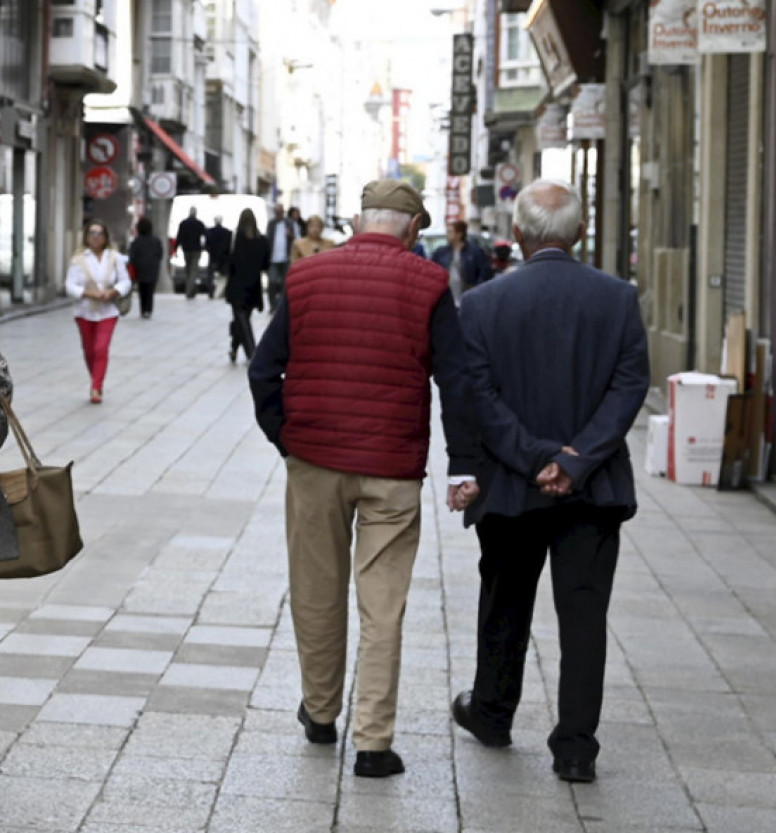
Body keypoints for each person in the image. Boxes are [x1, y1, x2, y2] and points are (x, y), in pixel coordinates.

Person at [248, 179, 479, 779]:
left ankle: (321, 715)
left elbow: (264, 368)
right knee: (383, 606)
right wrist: (462, 463)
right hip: (392, 471)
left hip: (315, 465)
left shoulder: (306, 277)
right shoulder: (430, 284)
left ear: (356, 223)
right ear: (411, 228)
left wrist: (287, 438)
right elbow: (456, 380)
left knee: (316, 592)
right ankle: (374, 744)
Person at [451, 180, 650, 784]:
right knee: (584, 614)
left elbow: (478, 397)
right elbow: (630, 385)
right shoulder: (617, 298)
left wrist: (536, 457)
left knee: (505, 599)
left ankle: (491, 711)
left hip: (512, 486)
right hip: (593, 490)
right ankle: (575, 747)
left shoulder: (483, 304)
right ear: (581, 232)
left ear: (517, 235)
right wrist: (577, 459)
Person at [66, 219, 132, 404]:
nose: (96, 237)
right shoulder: (78, 259)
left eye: (99, 233)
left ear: (105, 237)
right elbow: (70, 285)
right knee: (89, 350)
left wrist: (113, 291)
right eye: (92, 233)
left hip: (108, 311)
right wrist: (87, 293)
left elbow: (126, 281)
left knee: (100, 348)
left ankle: (96, 387)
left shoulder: (115, 257)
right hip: (84, 311)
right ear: (86, 236)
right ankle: (96, 378)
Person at [226, 208, 269, 363]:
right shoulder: (262, 240)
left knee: (241, 319)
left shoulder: (235, 239)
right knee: (243, 319)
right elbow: (265, 264)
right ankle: (234, 348)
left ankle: (252, 352)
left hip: (237, 285)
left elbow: (229, 262)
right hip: (253, 286)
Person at [430, 219, 492, 305]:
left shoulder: (475, 252)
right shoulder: (441, 252)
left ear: (459, 234)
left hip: (467, 299)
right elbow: (432, 271)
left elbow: (485, 273)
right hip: (446, 300)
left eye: (450, 232)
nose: (447, 235)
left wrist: (476, 290)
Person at [127, 216, 164, 319]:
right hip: (152, 268)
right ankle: (149, 309)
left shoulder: (136, 241)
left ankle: (143, 310)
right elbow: (160, 253)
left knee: (142, 290)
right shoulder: (156, 240)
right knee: (150, 290)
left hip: (140, 269)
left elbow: (132, 256)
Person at [265, 203, 296, 313]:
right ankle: (272, 305)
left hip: (285, 258)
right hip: (273, 258)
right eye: (277, 212)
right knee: (272, 282)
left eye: (281, 212)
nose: (279, 214)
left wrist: (290, 235)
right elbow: (267, 239)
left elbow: (294, 239)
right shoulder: (271, 224)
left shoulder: (289, 223)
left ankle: (281, 306)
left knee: (284, 283)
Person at [175, 206, 206, 299]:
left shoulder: (183, 223)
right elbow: (205, 235)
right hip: (196, 249)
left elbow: (179, 237)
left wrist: (175, 248)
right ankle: (190, 291)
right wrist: (205, 247)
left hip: (186, 249)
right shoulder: (199, 224)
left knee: (188, 269)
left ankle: (191, 290)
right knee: (193, 270)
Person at [205, 215, 233, 299]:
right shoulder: (228, 233)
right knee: (224, 276)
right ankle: (223, 292)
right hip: (224, 258)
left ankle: (211, 292)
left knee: (211, 276)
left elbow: (206, 245)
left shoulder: (209, 232)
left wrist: (210, 251)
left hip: (213, 257)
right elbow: (229, 246)